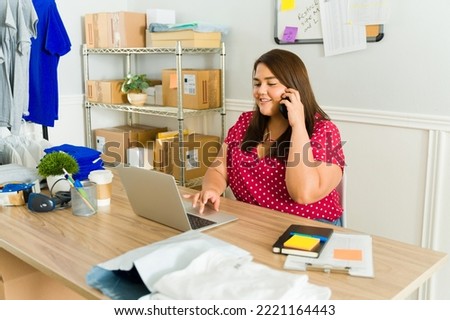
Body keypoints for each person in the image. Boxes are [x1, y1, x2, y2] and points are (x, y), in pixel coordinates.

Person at [185, 49, 346, 225]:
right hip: (253, 223)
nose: (261, 91)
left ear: (294, 89)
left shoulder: (324, 131)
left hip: (309, 226)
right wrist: (212, 190)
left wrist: (298, 125)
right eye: (257, 83)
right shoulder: (245, 122)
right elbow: (219, 169)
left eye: (271, 84)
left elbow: (303, 194)